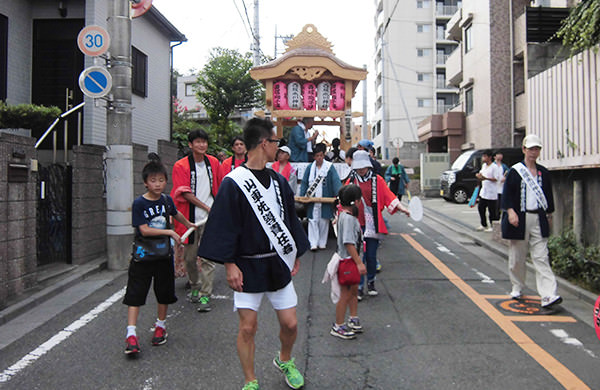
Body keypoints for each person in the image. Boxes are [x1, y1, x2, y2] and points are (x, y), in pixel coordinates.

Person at [198, 117, 310, 390]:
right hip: (247, 266)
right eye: (275, 141)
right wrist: (229, 264)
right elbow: (224, 225)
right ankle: (250, 380)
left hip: (276, 265)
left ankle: (284, 359)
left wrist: (293, 252)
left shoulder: (278, 182)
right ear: (264, 143)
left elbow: (289, 221)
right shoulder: (234, 183)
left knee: (291, 324)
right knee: (248, 327)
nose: (277, 146)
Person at [123, 156, 196, 355]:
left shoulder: (166, 200)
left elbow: (175, 213)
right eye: (153, 181)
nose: (158, 184)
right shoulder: (139, 203)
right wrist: (171, 232)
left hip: (164, 256)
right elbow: (144, 230)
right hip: (143, 255)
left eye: (161, 180)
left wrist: (188, 224)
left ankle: (160, 326)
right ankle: (131, 335)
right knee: (135, 294)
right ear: (145, 182)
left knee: (163, 292)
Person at [501, 134, 562, 309]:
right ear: (524, 150)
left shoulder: (544, 172)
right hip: (519, 219)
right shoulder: (515, 171)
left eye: (537, 149)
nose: (533, 152)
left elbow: (549, 197)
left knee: (541, 256)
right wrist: (511, 212)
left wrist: (549, 216)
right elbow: (507, 195)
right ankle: (517, 286)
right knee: (517, 257)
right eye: (530, 149)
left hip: (538, 218)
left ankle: (548, 294)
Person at [345, 150, 410, 299]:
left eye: (363, 167)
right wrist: (339, 215)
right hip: (356, 223)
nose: (361, 170)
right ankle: (360, 286)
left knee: (371, 256)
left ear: (368, 166)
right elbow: (344, 200)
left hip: (372, 223)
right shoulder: (351, 180)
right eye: (358, 167)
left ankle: (371, 281)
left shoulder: (377, 180)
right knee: (359, 256)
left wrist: (402, 208)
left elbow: (389, 197)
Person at [171, 129, 221, 312]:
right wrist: (206, 207)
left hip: (210, 218)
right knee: (190, 258)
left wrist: (218, 208)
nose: (202, 145)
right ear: (191, 145)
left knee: (208, 257)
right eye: (198, 142)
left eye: (204, 141)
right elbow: (183, 192)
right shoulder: (181, 166)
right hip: (189, 219)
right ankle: (194, 285)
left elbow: (220, 184)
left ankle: (205, 295)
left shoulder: (213, 162)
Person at [330, 185, 367, 340]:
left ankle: (353, 317)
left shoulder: (343, 215)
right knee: (345, 294)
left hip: (348, 259)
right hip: (348, 261)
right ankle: (338, 325)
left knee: (352, 291)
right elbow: (348, 242)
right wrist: (359, 262)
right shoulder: (349, 218)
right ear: (356, 201)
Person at [299, 143, 342, 251]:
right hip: (312, 199)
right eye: (317, 156)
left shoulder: (329, 167)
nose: (319, 158)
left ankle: (322, 243)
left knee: (324, 221)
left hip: (325, 198)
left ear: (324, 155)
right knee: (312, 221)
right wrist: (303, 196)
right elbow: (304, 182)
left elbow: (335, 181)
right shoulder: (310, 168)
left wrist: (339, 194)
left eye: (321, 155)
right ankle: (313, 243)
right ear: (314, 157)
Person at [475, 149, 502, 232]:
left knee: (492, 211)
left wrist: (486, 178)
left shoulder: (494, 167)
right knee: (481, 208)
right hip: (484, 191)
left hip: (492, 192)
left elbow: (496, 178)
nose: (483, 158)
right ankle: (483, 224)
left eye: (485, 156)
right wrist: (479, 176)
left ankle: (492, 226)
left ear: (490, 157)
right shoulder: (484, 166)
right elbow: (481, 173)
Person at [494, 151, 509, 218]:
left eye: (501, 154)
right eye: (498, 154)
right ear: (495, 156)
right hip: (494, 188)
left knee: (500, 204)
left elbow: (508, 172)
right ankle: (495, 217)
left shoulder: (504, 166)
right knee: (495, 205)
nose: (500, 156)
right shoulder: (493, 165)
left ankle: (499, 216)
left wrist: (505, 177)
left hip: (501, 188)